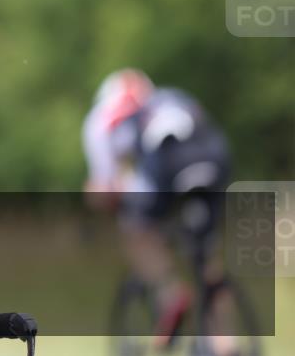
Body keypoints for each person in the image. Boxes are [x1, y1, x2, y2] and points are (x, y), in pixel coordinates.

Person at [82, 68, 232, 350]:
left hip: (167, 164)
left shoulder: (100, 119)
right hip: (214, 156)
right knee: (206, 254)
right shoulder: (171, 96)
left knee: (135, 228)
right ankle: (226, 343)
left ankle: (170, 295)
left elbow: (106, 186)